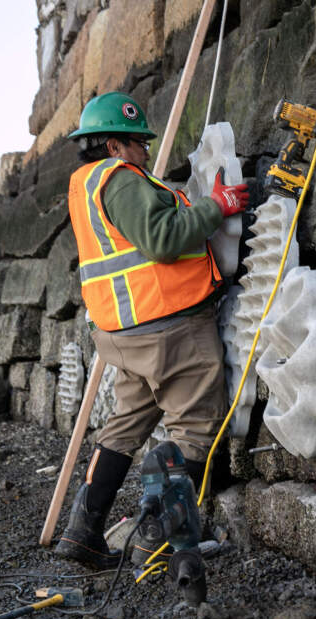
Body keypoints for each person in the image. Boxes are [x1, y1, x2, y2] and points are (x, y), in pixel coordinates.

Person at [55, 91, 248, 569]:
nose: (146, 151)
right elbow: (163, 240)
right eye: (139, 142)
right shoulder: (121, 181)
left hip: (124, 332)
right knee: (195, 430)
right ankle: (156, 541)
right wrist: (216, 207)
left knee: (125, 424)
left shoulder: (86, 183)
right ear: (116, 145)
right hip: (168, 325)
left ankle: (82, 533)